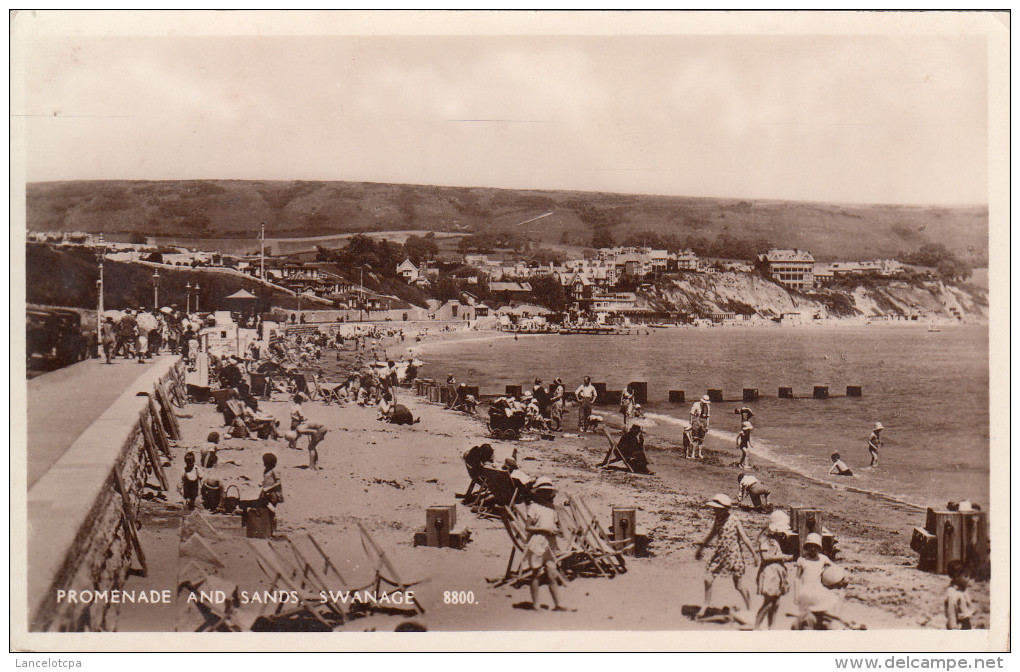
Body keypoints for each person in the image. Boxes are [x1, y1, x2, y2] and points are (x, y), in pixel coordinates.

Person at [694, 493, 755, 618]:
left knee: (739, 585)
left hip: (734, 555)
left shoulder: (734, 520)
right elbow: (712, 534)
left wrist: (754, 554)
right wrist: (701, 548)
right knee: (708, 577)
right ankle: (705, 605)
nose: (714, 511)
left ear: (724, 509)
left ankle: (750, 609)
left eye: (716, 509)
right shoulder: (718, 519)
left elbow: (744, 538)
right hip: (720, 554)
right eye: (714, 509)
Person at [521, 478, 571, 611]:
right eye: (543, 492)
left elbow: (555, 525)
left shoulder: (551, 508)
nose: (546, 494)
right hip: (537, 542)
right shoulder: (533, 507)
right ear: (537, 493)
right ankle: (536, 604)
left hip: (550, 543)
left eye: (548, 492)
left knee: (552, 574)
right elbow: (528, 527)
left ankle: (558, 604)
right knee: (536, 574)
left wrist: (558, 531)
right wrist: (544, 530)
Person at [755, 511, 793, 630]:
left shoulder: (775, 539)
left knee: (776, 603)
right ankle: (756, 627)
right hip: (769, 572)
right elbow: (765, 557)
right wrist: (783, 557)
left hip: (777, 572)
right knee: (769, 602)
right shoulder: (765, 540)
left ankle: (772, 627)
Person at [793, 533, 840, 629]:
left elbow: (834, 570)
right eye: (811, 546)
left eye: (816, 546)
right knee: (806, 617)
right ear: (806, 547)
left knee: (820, 615)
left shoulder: (823, 559)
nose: (813, 549)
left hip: (818, 592)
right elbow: (797, 578)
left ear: (819, 548)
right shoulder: (802, 560)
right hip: (805, 592)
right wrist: (796, 594)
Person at [945, 560, 975, 630]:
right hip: (959, 624)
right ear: (956, 577)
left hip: (966, 621)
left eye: (969, 576)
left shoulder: (962, 589)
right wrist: (953, 627)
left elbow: (967, 604)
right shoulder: (953, 593)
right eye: (966, 576)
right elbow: (951, 611)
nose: (968, 579)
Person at [689, 395, 711, 459]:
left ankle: (699, 453)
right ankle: (693, 453)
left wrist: (707, 426)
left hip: (703, 423)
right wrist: (691, 423)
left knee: (701, 439)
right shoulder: (696, 405)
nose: (705, 404)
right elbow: (691, 414)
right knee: (695, 438)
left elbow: (708, 417)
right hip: (696, 422)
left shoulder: (708, 407)